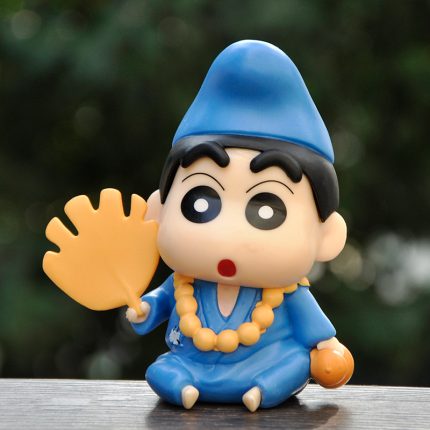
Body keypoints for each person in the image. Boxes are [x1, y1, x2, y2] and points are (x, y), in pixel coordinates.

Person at [126, 40, 351, 411]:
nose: (227, 234)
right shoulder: (184, 283)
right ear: (158, 212)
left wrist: (330, 351)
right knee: (161, 369)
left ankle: (265, 389)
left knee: (296, 363)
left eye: (267, 210)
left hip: (267, 365)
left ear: (327, 236)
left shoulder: (288, 293)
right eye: (200, 203)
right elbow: (158, 304)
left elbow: (321, 340)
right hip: (191, 362)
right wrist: (144, 310)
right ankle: (181, 385)